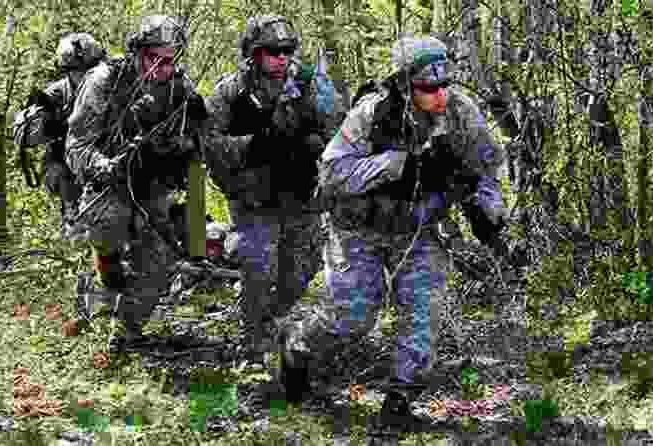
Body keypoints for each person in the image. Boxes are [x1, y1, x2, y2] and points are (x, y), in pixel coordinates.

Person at [276, 35, 511, 426]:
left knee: (424, 312)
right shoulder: (372, 114)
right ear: (404, 85)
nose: (439, 94)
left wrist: (488, 210)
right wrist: (398, 165)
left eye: (444, 84)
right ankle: (297, 344)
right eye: (427, 87)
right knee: (351, 318)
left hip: (418, 229)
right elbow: (332, 174)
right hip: (357, 229)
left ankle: (400, 399)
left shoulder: (460, 113)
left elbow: (488, 167)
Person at [203, 15, 346, 361]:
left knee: (304, 265)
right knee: (258, 266)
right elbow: (208, 142)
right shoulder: (231, 91)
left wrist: (317, 147)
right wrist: (256, 144)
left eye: (287, 50)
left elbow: (342, 131)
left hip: (301, 193)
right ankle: (253, 339)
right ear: (253, 54)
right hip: (254, 197)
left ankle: (272, 319)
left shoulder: (311, 84)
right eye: (272, 51)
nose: (281, 58)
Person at [64, 15, 208, 352]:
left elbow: (199, 160)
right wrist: (104, 164)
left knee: (161, 264)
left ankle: (124, 330)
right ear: (136, 52)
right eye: (153, 58)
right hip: (108, 184)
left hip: (154, 189)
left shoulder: (181, 91)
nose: (161, 67)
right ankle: (106, 270)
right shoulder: (105, 81)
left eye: (169, 60)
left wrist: (198, 235)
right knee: (109, 223)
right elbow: (76, 146)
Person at [13, 33, 108, 227]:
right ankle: (72, 220)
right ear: (69, 71)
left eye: (95, 68)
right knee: (62, 173)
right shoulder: (58, 94)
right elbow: (21, 133)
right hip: (65, 164)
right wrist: (50, 126)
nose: (93, 75)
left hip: (102, 156)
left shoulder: (107, 86)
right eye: (85, 70)